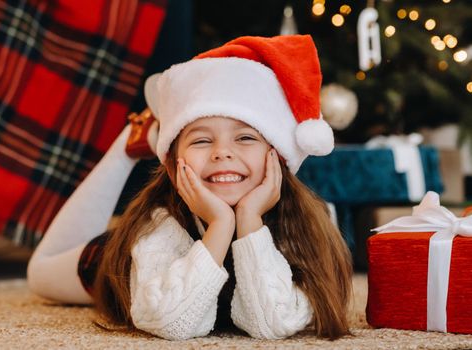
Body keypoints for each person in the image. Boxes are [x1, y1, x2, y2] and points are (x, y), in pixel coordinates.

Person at [27, 35, 353, 341]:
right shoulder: (156, 225)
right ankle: (130, 143)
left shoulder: (304, 226)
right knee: (40, 273)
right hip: (127, 263)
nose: (222, 152)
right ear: (174, 162)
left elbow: (273, 323)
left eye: (245, 137)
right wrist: (221, 226)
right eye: (201, 139)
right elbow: (171, 322)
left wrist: (250, 221)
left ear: (278, 156)